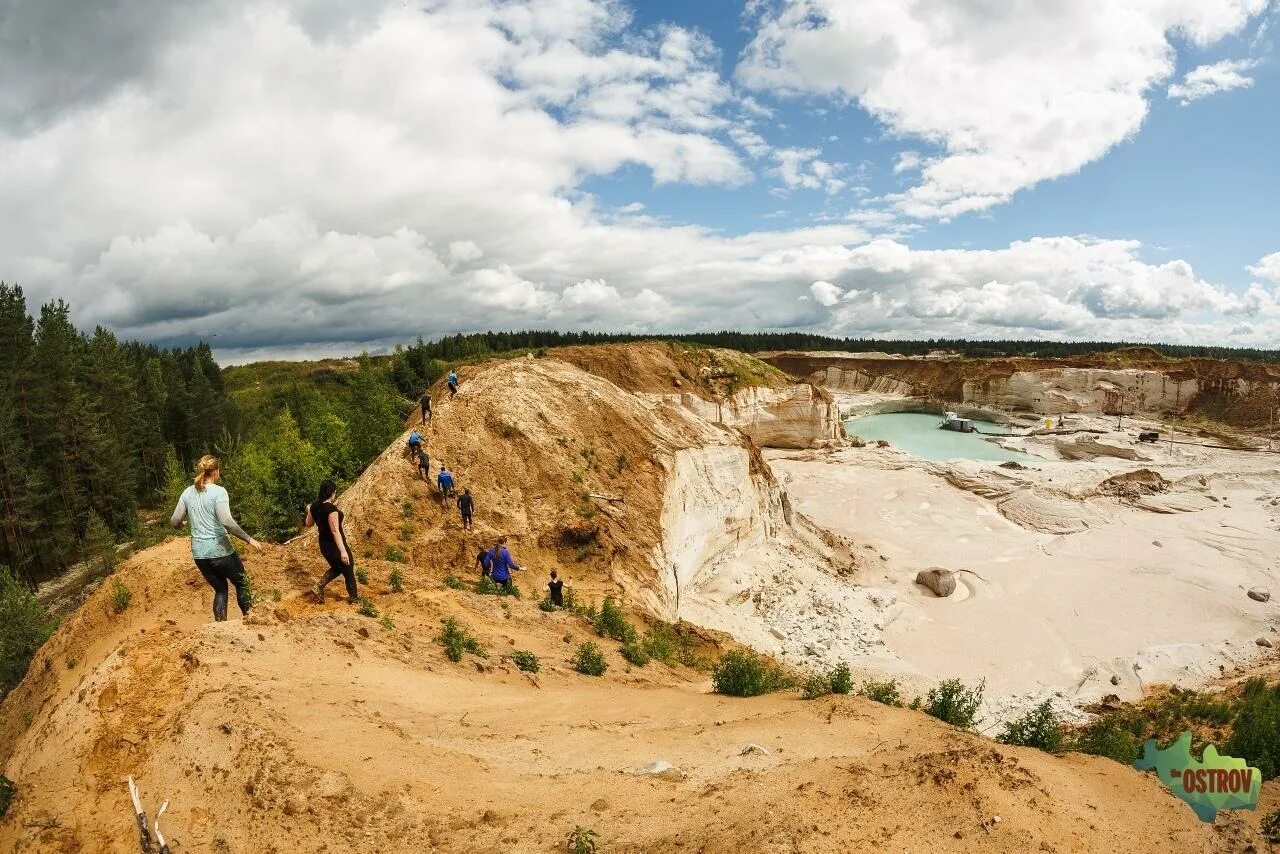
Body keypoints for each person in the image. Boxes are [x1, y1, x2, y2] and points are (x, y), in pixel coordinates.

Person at [170, 455, 262, 622]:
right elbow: (227, 521)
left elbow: (175, 520)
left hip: (199, 554)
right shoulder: (219, 492)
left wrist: (181, 525)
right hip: (220, 550)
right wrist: (249, 539)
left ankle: (220, 626)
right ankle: (251, 620)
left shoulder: (187, 492)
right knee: (242, 583)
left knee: (220, 589)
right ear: (216, 471)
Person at [304, 480, 358, 605]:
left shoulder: (314, 506)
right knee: (348, 568)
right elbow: (335, 531)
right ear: (332, 493)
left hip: (324, 545)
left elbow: (308, 524)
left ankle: (319, 586)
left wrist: (309, 510)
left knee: (337, 567)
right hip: (335, 545)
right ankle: (354, 599)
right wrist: (343, 551)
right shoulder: (331, 509)